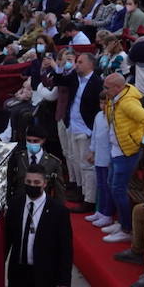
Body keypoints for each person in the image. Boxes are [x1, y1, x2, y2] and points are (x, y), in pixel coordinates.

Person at [100, 73, 144, 244]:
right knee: (112, 185)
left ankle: (127, 229)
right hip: (117, 149)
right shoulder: (115, 98)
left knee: (118, 189)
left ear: (118, 87)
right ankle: (121, 223)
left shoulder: (128, 103)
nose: (104, 91)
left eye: (107, 87)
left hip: (127, 152)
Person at [52, 52, 102, 208]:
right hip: (72, 125)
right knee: (76, 161)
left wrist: (91, 130)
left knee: (87, 165)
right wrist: (59, 67)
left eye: (80, 62)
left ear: (90, 64)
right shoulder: (75, 77)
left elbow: (97, 108)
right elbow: (59, 80)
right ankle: (81, 190)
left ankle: (89, 200)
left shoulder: (97, 82)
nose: (76, 64)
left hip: (86, 129)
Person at [5, 124, 66, 200]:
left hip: (42, 204)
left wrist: (57, 209)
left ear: (43, 140)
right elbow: (9, 182)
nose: (32, 144)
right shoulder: (17, 158)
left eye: (36, 141)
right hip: (20, 202)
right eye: (29, 141)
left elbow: (59, 190)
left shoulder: (53, 162)